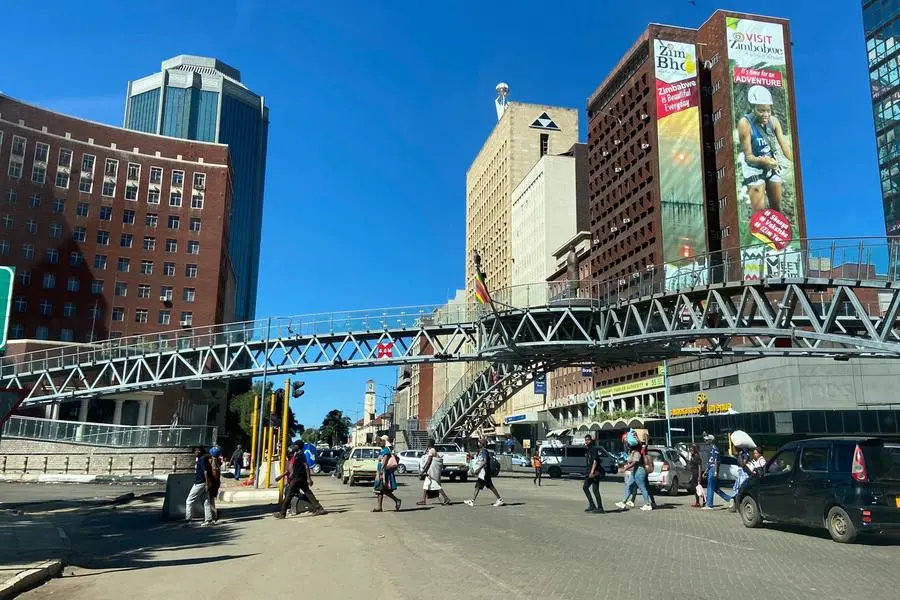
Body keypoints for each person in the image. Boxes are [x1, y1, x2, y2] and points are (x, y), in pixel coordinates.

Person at [737, 85, 794, 213]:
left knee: (777, 209)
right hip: (753, 168)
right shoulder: (745, 124)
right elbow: (749, 157)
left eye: (768, 110)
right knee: (760, 212)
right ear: (753, 108)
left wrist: (798, 164)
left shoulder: (773, 121)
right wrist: (764, 161)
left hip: (771, 166)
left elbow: (786, 149)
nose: (766, 114)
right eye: (761, 110)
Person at [274, 443, 325, 519]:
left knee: (289, 494)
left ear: (298, 446)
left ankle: (282, 513)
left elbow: (306, 465)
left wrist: (309, 478)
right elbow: (288, 454)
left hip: (298, 478)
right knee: (308, 493)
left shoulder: (301, 455)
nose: (293, 446)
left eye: (295, 445)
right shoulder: (297, 454)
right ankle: (319, 508)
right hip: (300, 478)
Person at [464, 439, 505, 507]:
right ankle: (472, 501)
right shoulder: (481, 451)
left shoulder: (484, 451)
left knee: (491, 486)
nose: (477, 444)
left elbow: (485, 461)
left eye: (479, 443)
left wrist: (478, 469)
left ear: (482, 444)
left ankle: (500, 500)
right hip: (483, 472)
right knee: (478, 486)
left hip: (485, 472)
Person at [615, 442, 652, 511]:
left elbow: (634, 463)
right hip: (635, 471)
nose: (628, 447)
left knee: (642, 487)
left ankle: (648, 504)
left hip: (640, 471)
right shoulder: (633, 452)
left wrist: (625, 469)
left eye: (629, 446)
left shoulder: (637, 453)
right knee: (629, 486)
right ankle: (623, 502)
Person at [184, 446, 214, 527]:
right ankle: (208, 520)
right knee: (206, 501)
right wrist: (207, 484)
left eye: (198, 450)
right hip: (204, 483)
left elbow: (205, 471)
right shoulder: (203, 458)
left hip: (200, 483)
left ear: (201, 451)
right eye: (195, 450)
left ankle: (188, 520)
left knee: (189, 500)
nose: (196, 452)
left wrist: (207, 483)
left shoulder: (201, 459)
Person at [418, 439, 451, 506]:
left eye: (428, 442)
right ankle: (423, 500)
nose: (427, 444)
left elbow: (429, 462)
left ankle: (446, 498)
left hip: (432, 472)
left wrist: (423, 471)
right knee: (426, 485)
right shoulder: (432, 450)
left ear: (430, 444)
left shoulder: (431, 451)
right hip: (430, 472)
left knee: (436, 485)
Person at [703, 436, 732, 510]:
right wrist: (706, 471)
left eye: (707, 440)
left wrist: (715, 471)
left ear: (711, 440)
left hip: (713, 469)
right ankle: (729, 499)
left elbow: (716, 461)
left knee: (710, 486)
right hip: (711, 469)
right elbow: (710, 461)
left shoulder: (715, 449)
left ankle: (709, 505)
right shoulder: (710, 449)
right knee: (715, 488)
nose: (705, 441)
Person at [374, 435, 401, 512]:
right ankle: (379, 506)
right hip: (381, 471)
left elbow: (385, 460)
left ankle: (396, 500)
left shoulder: (386, 450)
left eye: (381, 440)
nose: (380, 442)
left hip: (384, 472)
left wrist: (381, 470)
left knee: (383, 489)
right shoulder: (383, 450)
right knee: (379, 489)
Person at [582, 435, 604, 513]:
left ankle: (600, 508)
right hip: (590, 472)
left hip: (595, 472)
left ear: (591, 440)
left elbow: (595, 461)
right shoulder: (588, 449)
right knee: (585, 487)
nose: (587, 441)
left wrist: (592, 471)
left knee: (595, 490)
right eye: (586, 440)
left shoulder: (593, 449)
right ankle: (592, 505)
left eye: (588, 440)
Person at [208, 447, 222, 522]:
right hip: (216, 482)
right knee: (212, 499)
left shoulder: (213, 461)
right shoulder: (218, 461)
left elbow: (214, 473)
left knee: (210, 499)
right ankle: (214, 513)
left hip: (213, 482)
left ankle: (214, 514)